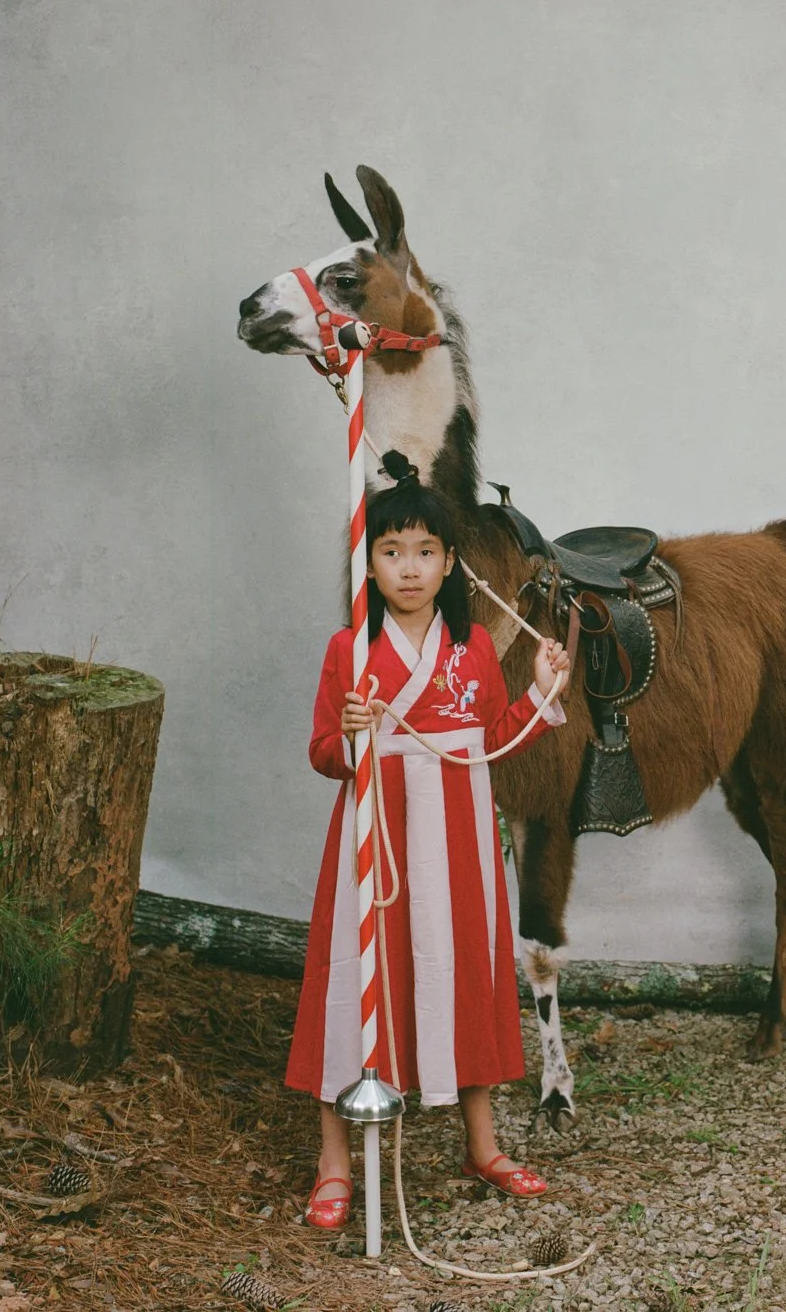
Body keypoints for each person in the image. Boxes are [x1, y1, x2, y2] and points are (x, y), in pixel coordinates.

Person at [285, 454, 570, 1228]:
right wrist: (348, 736)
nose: (408, 569)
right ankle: (335, 1161)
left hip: (459, 833)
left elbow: (493, 739)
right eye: (390, 552)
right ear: (369, 562)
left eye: (425, 553)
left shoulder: (473, 648)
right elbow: (321, 754)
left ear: (450, 563)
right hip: (374, 833)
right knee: (359, 971)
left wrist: (543, 686)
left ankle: (482, 1144)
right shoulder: (349, 650)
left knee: (462, 972)